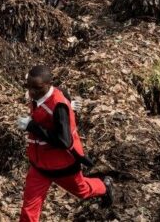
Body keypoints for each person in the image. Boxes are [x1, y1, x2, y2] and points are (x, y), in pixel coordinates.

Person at [17, 65, 114, 222]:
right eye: (29, 87)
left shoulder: (58, 105)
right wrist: (71, 105)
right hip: (39, 166)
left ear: (49, 84)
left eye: (37, 88)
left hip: (62, 166)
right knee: (29, 211)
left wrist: (32, 126)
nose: (32, 92)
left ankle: (105, 186)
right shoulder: (39, 94)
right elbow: (63, 97)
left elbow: (64, 141)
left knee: (82, 191)